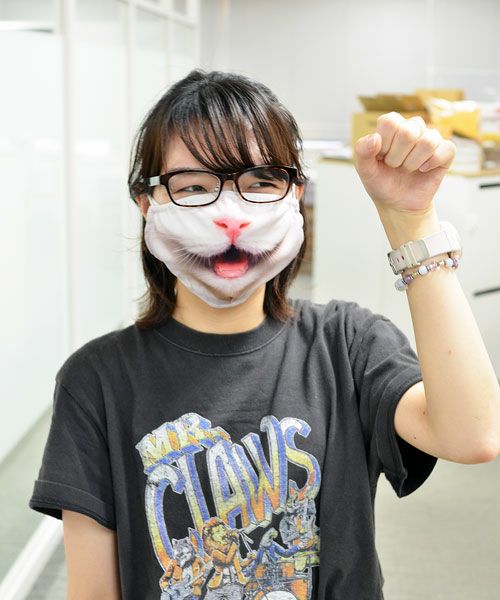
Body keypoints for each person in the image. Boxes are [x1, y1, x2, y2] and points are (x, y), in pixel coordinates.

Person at [29, 68, 453, 599]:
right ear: (147, 203)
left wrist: (413, 222)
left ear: (295, 195)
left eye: (260, 183)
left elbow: (471, 434)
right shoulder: (97, 380)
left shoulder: (347, 343)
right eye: (193, 187)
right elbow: (92, 591)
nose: (229, 214)